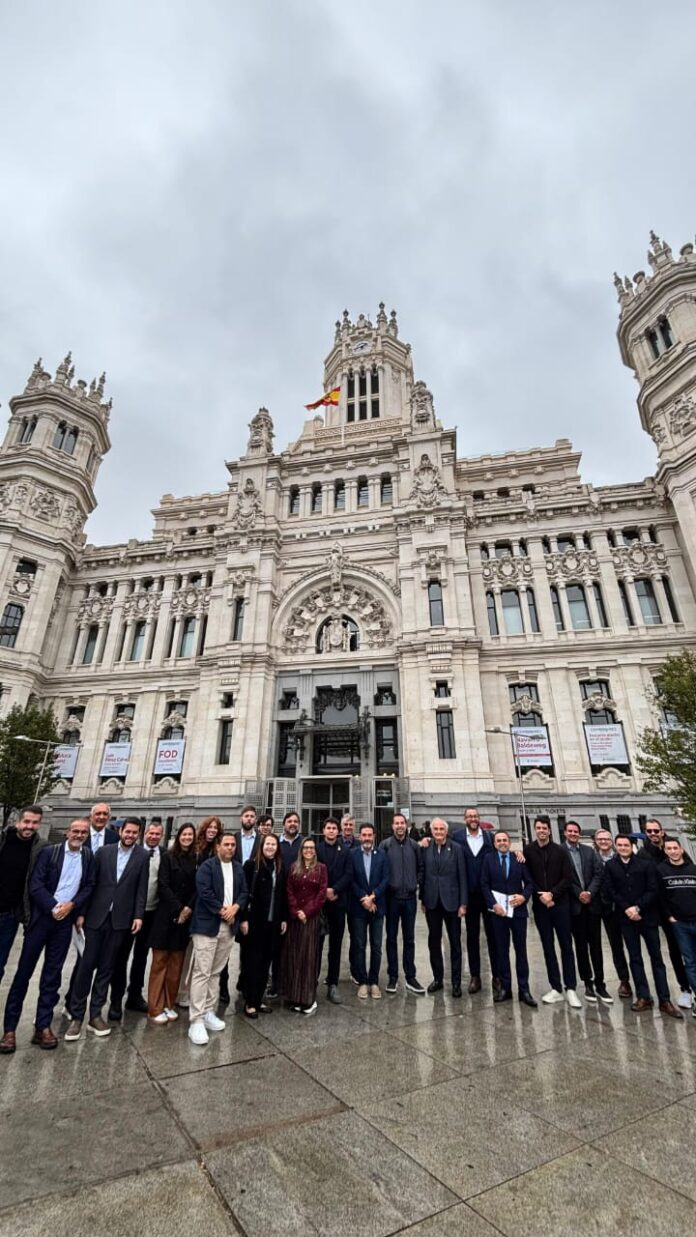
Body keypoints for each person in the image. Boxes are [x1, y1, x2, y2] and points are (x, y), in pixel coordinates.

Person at [0, 819, 93, 1053]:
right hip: (41, 919)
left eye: (83, 832)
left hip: (64, 924)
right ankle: (9, 1029)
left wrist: (72, 907)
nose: (79, 835)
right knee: (23, 973)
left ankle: (43, 1026)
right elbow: (36, 884)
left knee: (52, 974)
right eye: (75, 831)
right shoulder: (49, 852)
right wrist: (54, 906)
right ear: (67, 832)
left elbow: (88, 886)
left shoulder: (88, 857)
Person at [65, 818, 149, 1041]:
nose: (130, 835)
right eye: (127, 831)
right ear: (120, 831)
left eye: (134, 833)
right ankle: (76, 1015)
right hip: (95, 917)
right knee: (86, 966)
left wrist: (138, 916)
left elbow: (141, 888)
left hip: (120, 920)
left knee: (106, 968)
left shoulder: (142, 856)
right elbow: (89, 883)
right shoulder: (103, 852)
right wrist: (81, 913)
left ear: (138, 835)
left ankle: (95, 1014)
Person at [604, 834, 683, 1018]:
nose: (623, 847)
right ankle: (643, 996)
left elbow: (653, 889)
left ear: (632, 846)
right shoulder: (610, 866)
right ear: (616, 847)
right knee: (635, 958)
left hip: (647, 917)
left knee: (657, 959)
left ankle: (665, 999)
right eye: (620, 845)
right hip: (626, 919)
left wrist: (638, 907)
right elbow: (611, 891)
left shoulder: (646, 864)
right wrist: (628, 909)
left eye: (626, 844)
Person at [188, 833, 247, 1045]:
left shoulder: (238, 868)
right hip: (208, 925)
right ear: (218, 847)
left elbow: (244, 892)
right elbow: (205, 892)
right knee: (202, 972)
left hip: (228, 927)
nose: (230, 848)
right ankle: (195, 1020)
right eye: (227, 845)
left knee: (215, 972)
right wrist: (224, 911)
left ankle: (208, 1012)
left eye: (233, 845)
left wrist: (236, 908)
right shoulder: (207, 867)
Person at [108, 818, 164, 1019]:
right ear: (144, 834)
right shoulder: (136, 854)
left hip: (152, 913)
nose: (153, 837)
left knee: (141, 956)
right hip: (129, 914)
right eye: (150, 833)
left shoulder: (164, 855)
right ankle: (116, 999)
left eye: (157, 834)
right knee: (121, 956)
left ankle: (134, 995)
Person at [523, 816, 581, 1008]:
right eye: (538, 828)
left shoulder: (561, 851)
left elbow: (568, 877)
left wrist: (552, 895)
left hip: (560, 904)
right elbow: (527, 876)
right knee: (548, 947)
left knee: (566, 945)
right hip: (541, 906)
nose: (541, 831)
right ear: (535, 829)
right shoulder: (528, 850)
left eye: (544, 828)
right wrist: (542, 895)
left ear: (550, 830)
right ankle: (556, 987)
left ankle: (571, 987)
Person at [637, 819, 692, 1009]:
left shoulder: (673, 846)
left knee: (689, 950)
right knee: (674, 951)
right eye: (649, 831)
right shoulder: (643, 854)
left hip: (683, 910)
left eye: (656, 830)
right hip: (660, 911)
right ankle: (684, 987)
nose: (653, 833)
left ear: (662, 831)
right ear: (645, 832)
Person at [147, 822, 197, 1024]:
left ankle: (169, 1003)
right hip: (166, 915)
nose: (187, 838)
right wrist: (179, 908)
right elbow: (163, 885)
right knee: (160, 962)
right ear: (178, 837)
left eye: (190, 835)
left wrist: (188, 908)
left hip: (184, 917)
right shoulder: (168, 857)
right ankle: (155, 1007)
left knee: (176, 964)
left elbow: (197, 887)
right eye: (184, 834)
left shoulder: (195, 859)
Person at [480, 830, 537, 1007]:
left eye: (505, 840)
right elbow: (484, 883)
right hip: (498, 913)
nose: (502, 843)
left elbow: (529, 883)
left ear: (509, 843)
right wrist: (493, 904)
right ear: (494, 843)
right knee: (501, 951)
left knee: (521, 951)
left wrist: (523, 897)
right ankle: (505, 988)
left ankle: (524, 989)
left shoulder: (518, 859)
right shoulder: (488, 859)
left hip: (518, 912)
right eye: (499, 840)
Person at [451, 806, 501, 995]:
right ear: (464, 819)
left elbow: (502, 850)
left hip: (489, 896)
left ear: (479, 818)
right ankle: (475, 976)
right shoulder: (457, 837)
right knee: (472, 937)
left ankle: (496, 976)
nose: (473, 818)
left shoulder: (489, 838)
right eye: (469, 816)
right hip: (469, 896)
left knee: (493, 936)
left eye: (475, 816)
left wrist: (517, 853)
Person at [563, 821, 612, 1005]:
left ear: (579, 833)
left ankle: (600, 983)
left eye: (576, 831)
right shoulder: (561, 852)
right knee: (581, 947)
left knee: (596, 946)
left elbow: (599, 874)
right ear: (565, 833)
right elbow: (564, 877)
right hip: (575, 907)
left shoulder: (589, 852)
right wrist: (579, 893)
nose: (573, 834)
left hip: (592, 906)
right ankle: (588, 982)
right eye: (570, 831)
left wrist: (589, 892)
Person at [239, 834, 287, 1018]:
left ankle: (259, 999)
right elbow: (243, 893)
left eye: (273, 844)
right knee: (252, 963)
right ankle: (250, 1002)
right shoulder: (252, 866)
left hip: (272, 923)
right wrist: (243, 919)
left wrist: (283, 918)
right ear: (262, 845)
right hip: (254, 923)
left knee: (266, 962)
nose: (270, 847)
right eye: (267, 844)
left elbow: (281, 895)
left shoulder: (280, 867)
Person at [419, 817, 467, 998]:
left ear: (446, 831)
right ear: (431, 831)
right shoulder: (426, 848)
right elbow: (422, 874)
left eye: (441, 829)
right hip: (432, 903)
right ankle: (437, 978)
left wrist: (463, 903)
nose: (438, 832)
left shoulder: (456, 849)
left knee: (455, 943)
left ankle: (456, 982)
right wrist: (422, 899)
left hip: (452, 903)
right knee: (434, 942)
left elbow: (462, 877)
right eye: (435, 829)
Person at [0, 805, 46, 988]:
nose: (30, 826)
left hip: (10, 916)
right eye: (26, 821)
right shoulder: (3, 840)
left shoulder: (41, 848)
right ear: (18, 821)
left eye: (35, 823)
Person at [380, 813, 425, 994]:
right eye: (396, 823)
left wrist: (416, 882)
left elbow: (421, 867)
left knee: (409, 938)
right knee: (391, 938)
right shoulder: (385, 845)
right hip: (392, 899)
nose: (399, 826)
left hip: (409, 899)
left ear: (406, 825)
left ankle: (410, 976)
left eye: (402, 823)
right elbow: (380, 869)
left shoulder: (414, 846)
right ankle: (392, 976)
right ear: (392, 826)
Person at [281, 837, 327, 1015]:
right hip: (295, 919)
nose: (309, 850)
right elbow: (289, 890)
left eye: (311, 848)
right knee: (294, 957)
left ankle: (308, 998)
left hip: (311, 919)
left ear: (315, 850)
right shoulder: (294, 867)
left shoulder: (321, 868)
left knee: (308, 958)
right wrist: (295, 911)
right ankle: (294, 996)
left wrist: (306, 913)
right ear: (301, 850)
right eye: (306, 847)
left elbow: (322, 894)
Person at [656, 837, 696, 1019]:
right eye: (669, 848)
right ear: (665, 851)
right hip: (679, 923)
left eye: (675, 848)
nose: (672, 851)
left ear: (681, 849)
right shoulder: (661, 870)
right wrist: (669, 917)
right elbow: (661, 897)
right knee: (689, 960)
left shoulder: (693, 869)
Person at [350, 823, 389, 999]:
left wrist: (373, 897)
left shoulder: (382, 855)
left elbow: (386, 879)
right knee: (358, 945)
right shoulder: (352, 855)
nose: (366, 838)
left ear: (374, 836)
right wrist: (364, 899)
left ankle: (374, 981)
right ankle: (362, 981)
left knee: (376, 946)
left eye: (369, 835)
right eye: (364, 835)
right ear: (360, 837)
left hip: (377, 907)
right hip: (358, 908)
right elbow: (350, 880)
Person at [592, 829, 632, 999]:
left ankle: (631, 979)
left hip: (620, 908)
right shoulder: (592, 858)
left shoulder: (620, 858)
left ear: (612, 841)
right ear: (595, 841)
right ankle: (623, 979)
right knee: (615, 945)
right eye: (600, 839)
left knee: (631, 944)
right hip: (599, 907)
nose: (603, 841)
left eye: (606, 839)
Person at [316, 817, 352, 1004]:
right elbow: (313, 872)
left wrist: (335, 890)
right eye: (328, 828)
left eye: (334, 828)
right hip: (320, 905)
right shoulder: (316, 849)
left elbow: (349, 874)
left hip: (338, 903)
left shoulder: (345, 851)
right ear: (323, 830)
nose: (331, 831)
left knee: (336, 946)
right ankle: (312, 981)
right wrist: (324, 892)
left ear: (338, 832)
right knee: (317, 945)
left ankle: (333, 983)